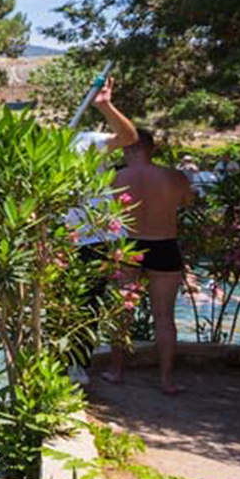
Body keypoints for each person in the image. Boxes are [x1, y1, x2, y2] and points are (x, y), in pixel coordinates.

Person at [106, 128, 196, 395]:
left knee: (122, 312)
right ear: (151, 148)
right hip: (165, 244)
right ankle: (166, 381)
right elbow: (187, 202)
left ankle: (116, 371)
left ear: (126, 149)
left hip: (130, 245)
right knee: (164, 317)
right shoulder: (174, 177)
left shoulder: (116, 177)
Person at [65, 77, 139, 384]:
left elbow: (128, 136)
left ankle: (77, 366)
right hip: (58, 238)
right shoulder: (36, 147)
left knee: (87, 303)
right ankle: (56, 365)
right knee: (61, 303)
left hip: (95, 236)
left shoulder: (86, 140)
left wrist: (105, 106)